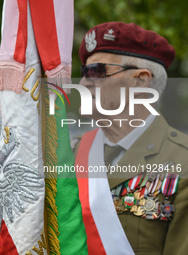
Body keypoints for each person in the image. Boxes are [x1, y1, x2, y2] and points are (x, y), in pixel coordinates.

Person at [72, 22, 188, 255]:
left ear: (141, 80)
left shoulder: (182, 160)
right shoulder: (70, 152)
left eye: (96, 71)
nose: (83, 83)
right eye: (84, 72)